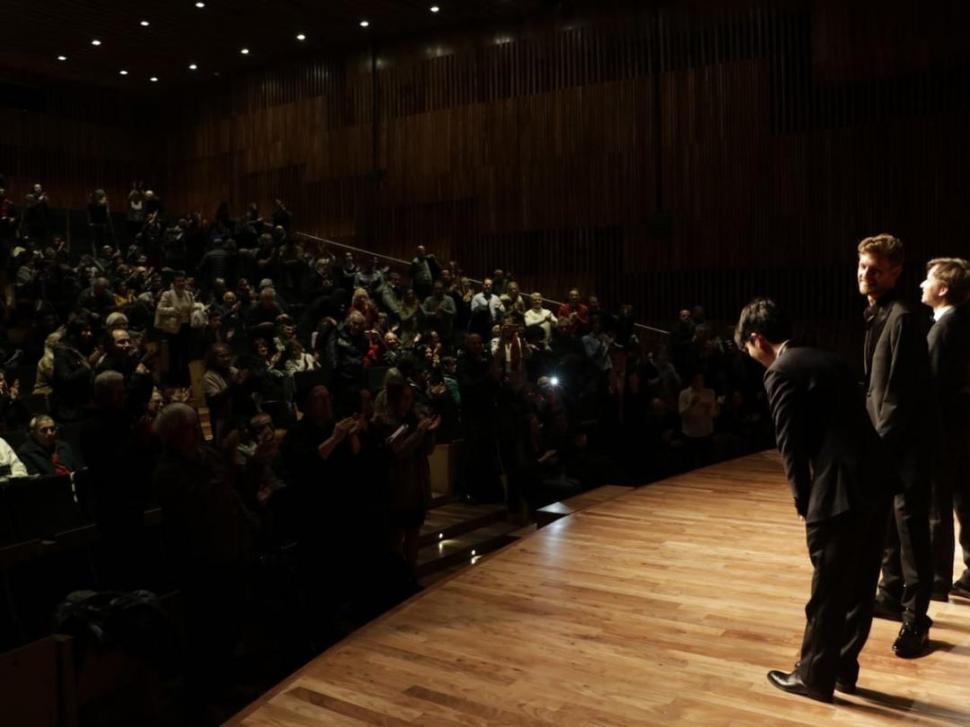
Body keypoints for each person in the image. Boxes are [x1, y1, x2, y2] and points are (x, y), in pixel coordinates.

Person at [736, 298, 894, 703]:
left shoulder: (781, 372)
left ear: (756, 339)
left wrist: (806, 504)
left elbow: (790, 448)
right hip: (876, 479)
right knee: (860, 585)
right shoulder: (829, 358)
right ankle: (842, 670)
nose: (754, 359)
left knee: (828, 588)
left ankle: (813, 677)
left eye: (749, 351)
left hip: (838, 489)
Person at [857, 234, 934, 657]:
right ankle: (889, 594)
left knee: (910, 532)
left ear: (896, 272)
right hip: (887, 445)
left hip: (904, 449)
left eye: (875, 269)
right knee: (888, 524)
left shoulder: (902, 317)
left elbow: (896, 398)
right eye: (863, 267)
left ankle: (917, 620)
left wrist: (877, 450)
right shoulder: (878, 313)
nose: (866, 275)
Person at [920, 257, 970, 601]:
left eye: (928, 280)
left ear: (943, 289)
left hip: (944, 433)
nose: (921, 285)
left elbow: (932, 387)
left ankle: (937, 581)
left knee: (937, 509)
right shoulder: (963, 322)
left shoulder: (943, 328)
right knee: (966, 503)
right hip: (964, 429)